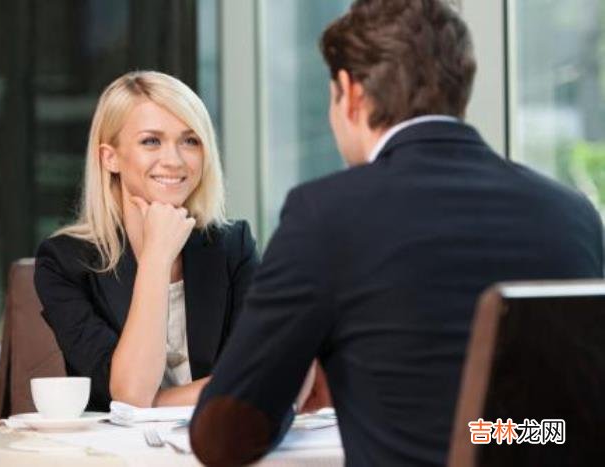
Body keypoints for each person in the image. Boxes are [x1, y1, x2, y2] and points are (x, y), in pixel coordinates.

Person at [190, 1, 605, 465]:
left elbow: (222, 438)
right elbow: (558, 423)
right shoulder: (573, 214)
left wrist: (291, 382)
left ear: (349, 93)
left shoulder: (326, 213)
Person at [34, 71, 258, 412]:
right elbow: (132, 393)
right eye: (151, 141)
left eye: (190, 141)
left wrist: (160, 402)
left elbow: (260, 375)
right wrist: (157, 257)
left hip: (219, 446)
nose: (174, 160)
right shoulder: (65, 262)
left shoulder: (232, 246)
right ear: (110, 157)